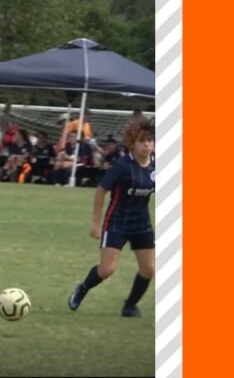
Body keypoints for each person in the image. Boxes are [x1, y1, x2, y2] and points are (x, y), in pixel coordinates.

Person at [68, 118, 156, 317]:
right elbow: (101, 190)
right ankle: (82, 288)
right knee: (107, 269)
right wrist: (95, 223)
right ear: (132, 143)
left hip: (142, 223)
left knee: (149, 268)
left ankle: (130, 306)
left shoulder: (156, 165)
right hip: (117, 222)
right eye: (143, 141)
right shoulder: (123, 165)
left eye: (151, 140)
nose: (148, 145)